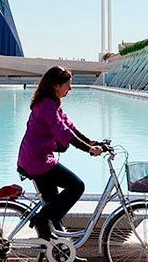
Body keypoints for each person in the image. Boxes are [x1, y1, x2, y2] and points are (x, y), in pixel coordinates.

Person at [17, 66, 103, 242]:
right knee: (77, 186)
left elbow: (69, 125)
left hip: (36, 158)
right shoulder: (48, 105)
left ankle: (58, 250)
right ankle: (40, 219)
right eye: (68, 84)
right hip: (37, 161)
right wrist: (87, 149)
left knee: (53, 207)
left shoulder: (51, 103)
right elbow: (62, 131)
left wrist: (90, 141)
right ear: (56, 85)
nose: (70, 88)